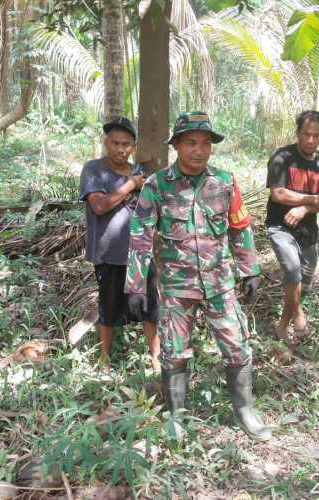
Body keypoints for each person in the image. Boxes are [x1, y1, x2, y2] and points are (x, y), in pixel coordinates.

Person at [124, 111, 271, 441]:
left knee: (237, 346)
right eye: (191, 142)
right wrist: (135, 285)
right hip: (177, 287)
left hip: (220, 284)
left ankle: (245, 411)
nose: (199, 150)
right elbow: (140, 235)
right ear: (176, 144)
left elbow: (239, 227)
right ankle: (177, 416)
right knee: (174, 352)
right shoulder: (156, 186)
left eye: (205, 143)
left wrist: (250, 269)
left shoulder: (225, 182)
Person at [78, 117, 160, 374]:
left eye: (126, 144)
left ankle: (156, 360)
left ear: (133, 146)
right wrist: (130, 185)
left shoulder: (140, 174)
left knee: (148, 307)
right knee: (108, 306)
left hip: (139, 253)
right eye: (115, 143)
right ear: (106, 143)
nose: (120, 149)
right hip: (108, 253)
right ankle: (104, 361)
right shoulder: (94, 170)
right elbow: (99, 205)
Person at [265, 110, 319, 344]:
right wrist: (312, 199)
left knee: (303, 283)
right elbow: (278, 193)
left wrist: (304, 209)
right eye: (306, 134)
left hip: (308, 232)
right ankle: (298, 314)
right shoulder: (282, 157)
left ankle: (283, 325)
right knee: (292, 269)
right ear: (298, 133)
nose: (311, 140)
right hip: (280, 227)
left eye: (317, 136)